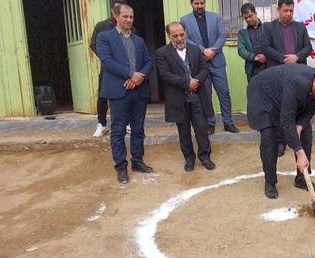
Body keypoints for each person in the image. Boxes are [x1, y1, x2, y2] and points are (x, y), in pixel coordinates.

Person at [247, 65, 315, 199]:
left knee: (306, 131)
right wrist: (299, 152)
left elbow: (309, 111)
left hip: (281, 95)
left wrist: (300, 125)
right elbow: (286, 120)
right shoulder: (297, 83)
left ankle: (301, 178)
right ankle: (270, 182)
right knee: (269, 136)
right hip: (261, 94)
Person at [96, 3, 153, 183]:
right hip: (118, 91)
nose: (128, 20)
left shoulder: (139, 40)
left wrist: (139, 77)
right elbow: (107, 61)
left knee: (138, 128)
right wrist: (130, 74)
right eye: (125, 16)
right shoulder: (104, 37)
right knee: (118, 130)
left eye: (131, 17)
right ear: (116, 16)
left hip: (139, 90)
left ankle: (137, 161)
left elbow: (148, 62)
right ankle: (121, 167)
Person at [155, 22, 215, 172]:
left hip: (197, 97)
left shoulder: (195, 49)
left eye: (181, 34)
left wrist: (197, 81)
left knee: (201, 128)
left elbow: (204, 69)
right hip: (178, 98)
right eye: (175, 36)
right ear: (169, 36)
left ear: (185, 33)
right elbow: (165, 74)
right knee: (184, 131)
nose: (179, 38)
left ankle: (205, 156)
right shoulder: (162, 53)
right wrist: (187, 83)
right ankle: (189, 158)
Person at [262, 0, 313, 156]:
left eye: (291, 11)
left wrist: (296, 57)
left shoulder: (300, 27)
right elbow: (265, 47)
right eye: (285, 11)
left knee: (296, 108)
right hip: (278, 75)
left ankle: (296, 140)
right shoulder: (269, 27)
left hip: (297, 74)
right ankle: (280, 142)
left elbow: (308, 47)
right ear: (279, 10)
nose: (288, 14)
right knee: (279, 109)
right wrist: (283, 58)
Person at [180, 0, 240, 134]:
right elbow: (186, 39)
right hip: (200, 63)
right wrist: (203, 50)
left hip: (217, 61)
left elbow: (222, 35)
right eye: (197, 3)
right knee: (205, 95)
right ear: (191, 3)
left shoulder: (215, 17)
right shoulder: (184, 20)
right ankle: (210, 123)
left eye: (202, 3)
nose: (200, 6)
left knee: (224, 92)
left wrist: (212, 50)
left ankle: (228, 122)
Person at [90, 0, 130, 137]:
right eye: (118, 9)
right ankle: (102, 123)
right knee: (103, 95)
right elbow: (93, 44)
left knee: (127, 94)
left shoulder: (130, 25)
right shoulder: (102, 26)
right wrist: (106, 58)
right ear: (113, 11)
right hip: (108, 68)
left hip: (125, 69)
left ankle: (127, 122)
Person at [237, 3, 267, 81]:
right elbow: (241, 50)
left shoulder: (267, 27)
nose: (248, 19)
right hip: (253, 69)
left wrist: (266, 56)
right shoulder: (242, 32)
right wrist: (254, 57)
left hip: (269, 66)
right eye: (245, 18)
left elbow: (274, 44)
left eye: (250, 16)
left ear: (256, 13)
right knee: (254, 92)